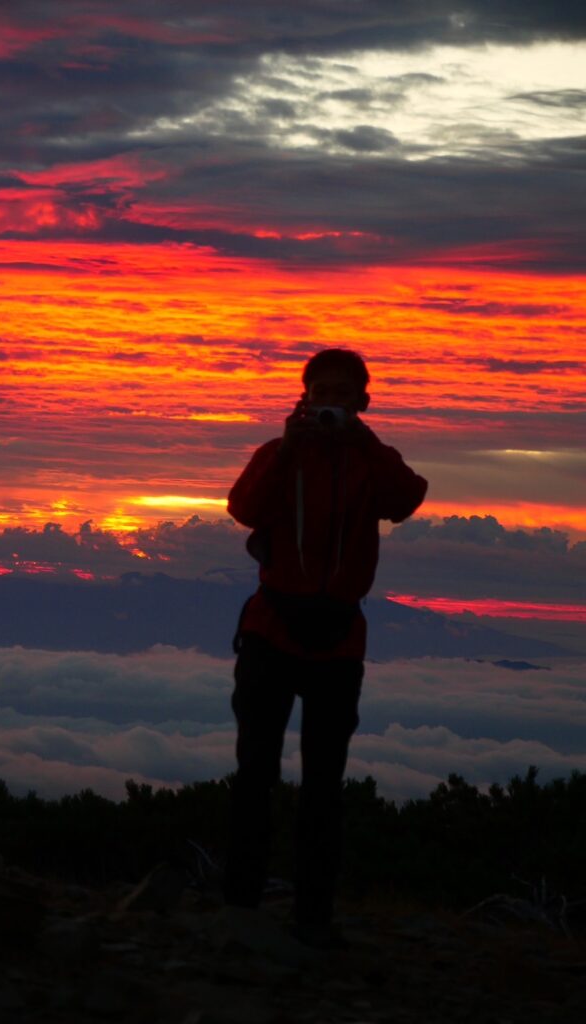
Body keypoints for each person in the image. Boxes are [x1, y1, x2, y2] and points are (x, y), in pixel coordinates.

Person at [223, 348, 427, 948]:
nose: (332, 399)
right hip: (272, 630)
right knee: (255, 772)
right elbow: (243, 508)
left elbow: (406, 499)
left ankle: (313, 916)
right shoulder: (279, 454)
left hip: (338, 639)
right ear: (304, 397)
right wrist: (288, 449)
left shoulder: (370, 459)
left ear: (362, 402)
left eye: (345, 391)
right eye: (322, 390)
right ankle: (241, 902)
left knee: (323, 783)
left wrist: (363, 442)